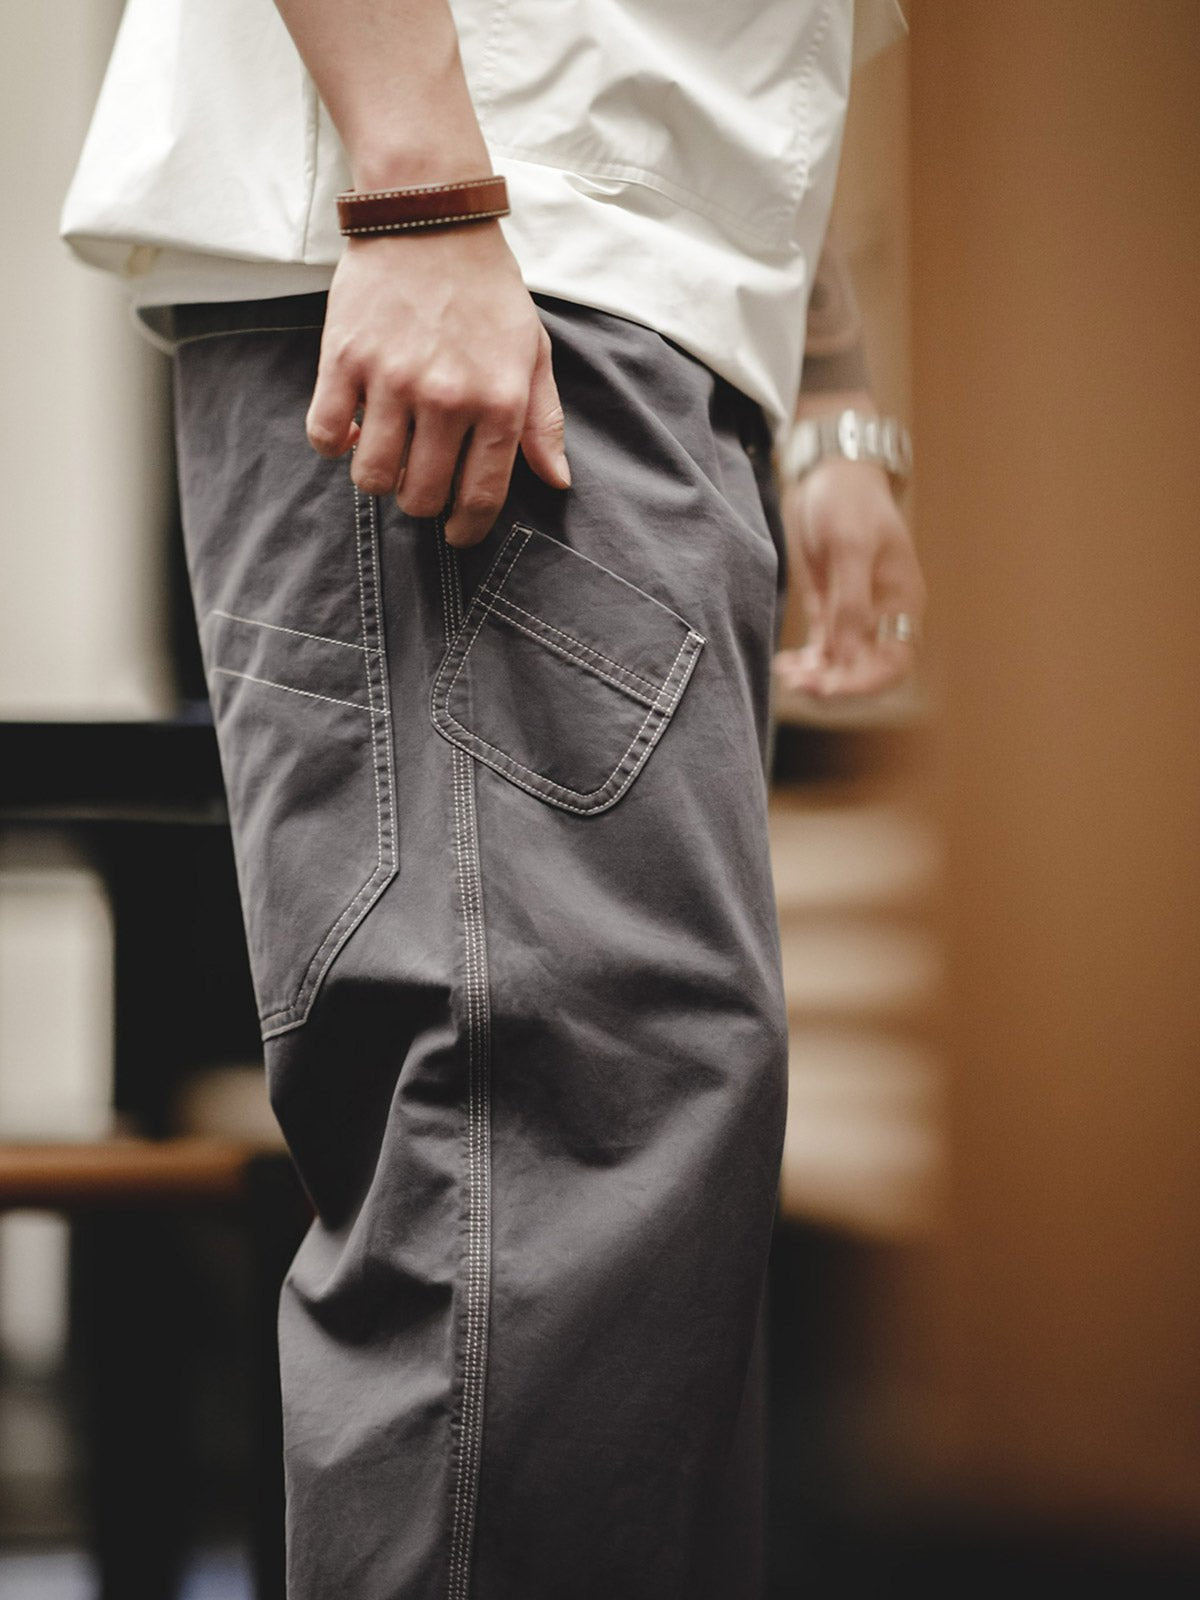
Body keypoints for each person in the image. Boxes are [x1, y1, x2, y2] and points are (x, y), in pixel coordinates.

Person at [62, 2, 924, 1595]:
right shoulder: (456, 212)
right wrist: (420, 188)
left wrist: (826, 382)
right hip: (498, 252)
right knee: (529, 1202)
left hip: (628, 294)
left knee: (633, 1208)